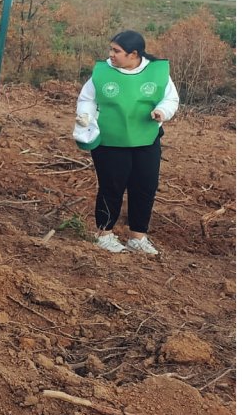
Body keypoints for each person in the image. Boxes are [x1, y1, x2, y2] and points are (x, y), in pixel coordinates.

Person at [75, 30, 178, 255]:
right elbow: (87, 99)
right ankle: (104, 234)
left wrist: (162, 111)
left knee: (144, 187)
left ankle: (137, 237)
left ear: (133, 54)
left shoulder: (157, 72)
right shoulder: (102, 73)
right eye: (111, 49)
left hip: (146, 139)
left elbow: (170, 98)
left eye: (116, 51)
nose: (110, 54)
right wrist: (85, 117)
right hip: (110, 141)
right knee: (111, 186)